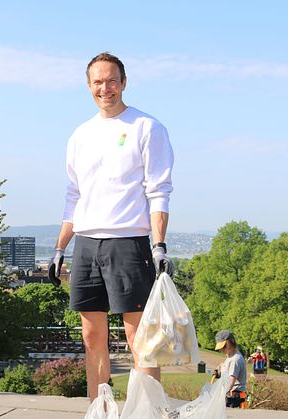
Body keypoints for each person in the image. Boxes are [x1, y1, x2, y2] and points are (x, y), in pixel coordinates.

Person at [47, 52, 175, 400]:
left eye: (112, 80)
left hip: (129, 243)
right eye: (98, 82)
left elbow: (158, 191)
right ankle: (98, 409)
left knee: (139, 339)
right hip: (86, 246)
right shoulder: (80, 135)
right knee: (92, 338)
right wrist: (60, 247)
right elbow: (74, 195)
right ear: (89, 86)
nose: (106, 88)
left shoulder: (147, 128)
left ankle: (146, 410)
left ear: (124, 82)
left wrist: (159, 245)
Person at [213, 330, 248, 408]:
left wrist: (221, 396)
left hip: (235, 397)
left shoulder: (235, 359)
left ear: (231, 342)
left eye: (224, 346)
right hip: (233, 395)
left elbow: (231, 381)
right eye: (221, 348)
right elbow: (228, 369)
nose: (222, 350)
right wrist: (221, 367)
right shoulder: (231, 355)